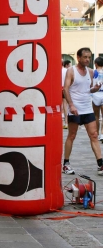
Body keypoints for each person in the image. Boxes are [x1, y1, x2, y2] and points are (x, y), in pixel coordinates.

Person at [63, 47, 103, 175]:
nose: (87, 59)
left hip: (87, 108)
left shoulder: (91, 72)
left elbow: (88, 89)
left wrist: (95, 89)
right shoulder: (71, 70)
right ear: (78, 57)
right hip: (75, 108)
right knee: (72, 136)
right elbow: (65, 89)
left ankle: (100, 164)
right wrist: (71, 105)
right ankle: (66, 163)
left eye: (89, 57)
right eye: (85, 57)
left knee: (94, 135)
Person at [92, 57, 103, 140]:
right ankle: (102, 134)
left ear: (95, 64)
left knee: (96, 115)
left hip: (95, 94)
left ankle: (97, 133)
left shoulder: (93, 72)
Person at [62, 60, 71, 129]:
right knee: (66, 105)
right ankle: (67, 122)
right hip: (66, 88)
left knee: (62, 105)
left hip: (58, 88)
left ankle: (65, 122)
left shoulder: (57, 70)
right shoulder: (67, 71)